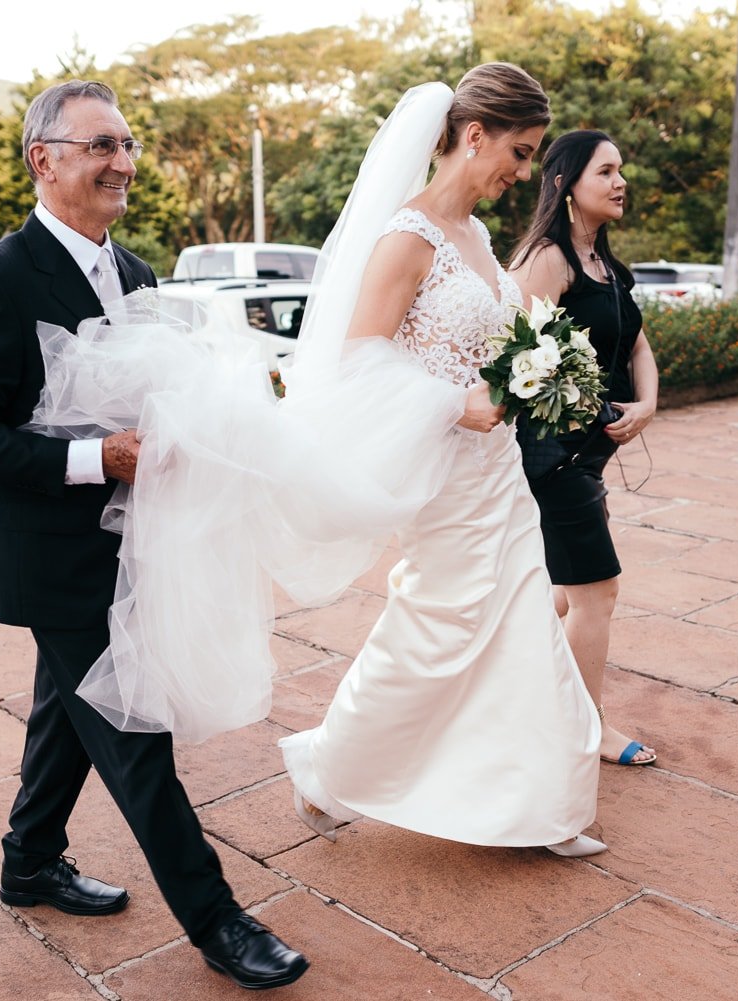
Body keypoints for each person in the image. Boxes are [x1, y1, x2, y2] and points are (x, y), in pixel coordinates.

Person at [0, 80, 307, 992]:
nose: (123, 163)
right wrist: (102, 458)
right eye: (101, 145)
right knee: (134, 731)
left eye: (128, 145)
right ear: (43, 159)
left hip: (131, 545)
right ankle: (218, 921)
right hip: (52, 560)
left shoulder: (135, 273)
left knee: (69, 708)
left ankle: (29, 862)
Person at [276, 64, 604, 858]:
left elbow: (489, 342)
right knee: (435, 633)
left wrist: (538, 369)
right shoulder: (406, 236)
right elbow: (358, 359)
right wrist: (457, 403)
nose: (523, 174)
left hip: (497, 472)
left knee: (527, 619)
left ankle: (545, 804)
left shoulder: (482, 237)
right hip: (445, 475)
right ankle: (326, 763)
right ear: (472, 135)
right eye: (519, 154)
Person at [507, 130, 658, 767]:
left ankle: (510, 694)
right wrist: (579, 407)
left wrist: (647, 405)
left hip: (593, 454)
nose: (620, 182)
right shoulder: (549, 258)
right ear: (568, 184)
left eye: (621, 170)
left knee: (562, 594)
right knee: (597, 591)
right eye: (606, 171)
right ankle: (581, 727)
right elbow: (515, 356)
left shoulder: (607, 266)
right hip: (553, 456)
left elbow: (638, 346)